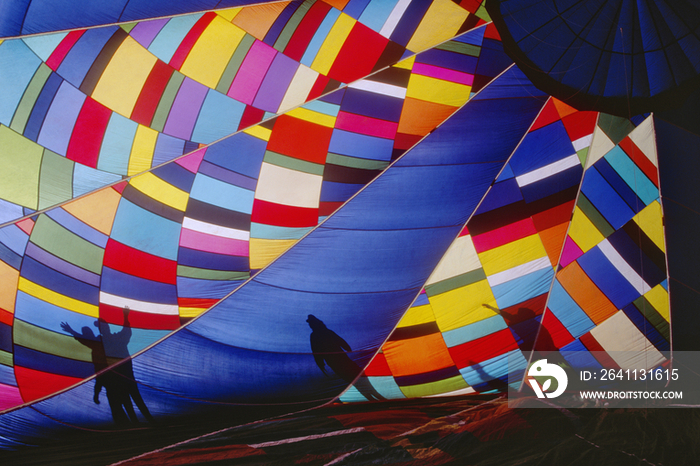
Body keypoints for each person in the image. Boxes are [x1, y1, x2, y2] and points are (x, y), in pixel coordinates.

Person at [307, 314, 383, 400]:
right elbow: (317, 351)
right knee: (353, 376)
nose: (310, 325)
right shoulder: (320, 334)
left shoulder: (320, 334)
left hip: (340, 360)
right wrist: (320, 363)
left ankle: (373, 394)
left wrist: (320, 363)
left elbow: (318, 350)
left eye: (311, 323)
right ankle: (372, 396)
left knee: (354, 375)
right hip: (337, 361)